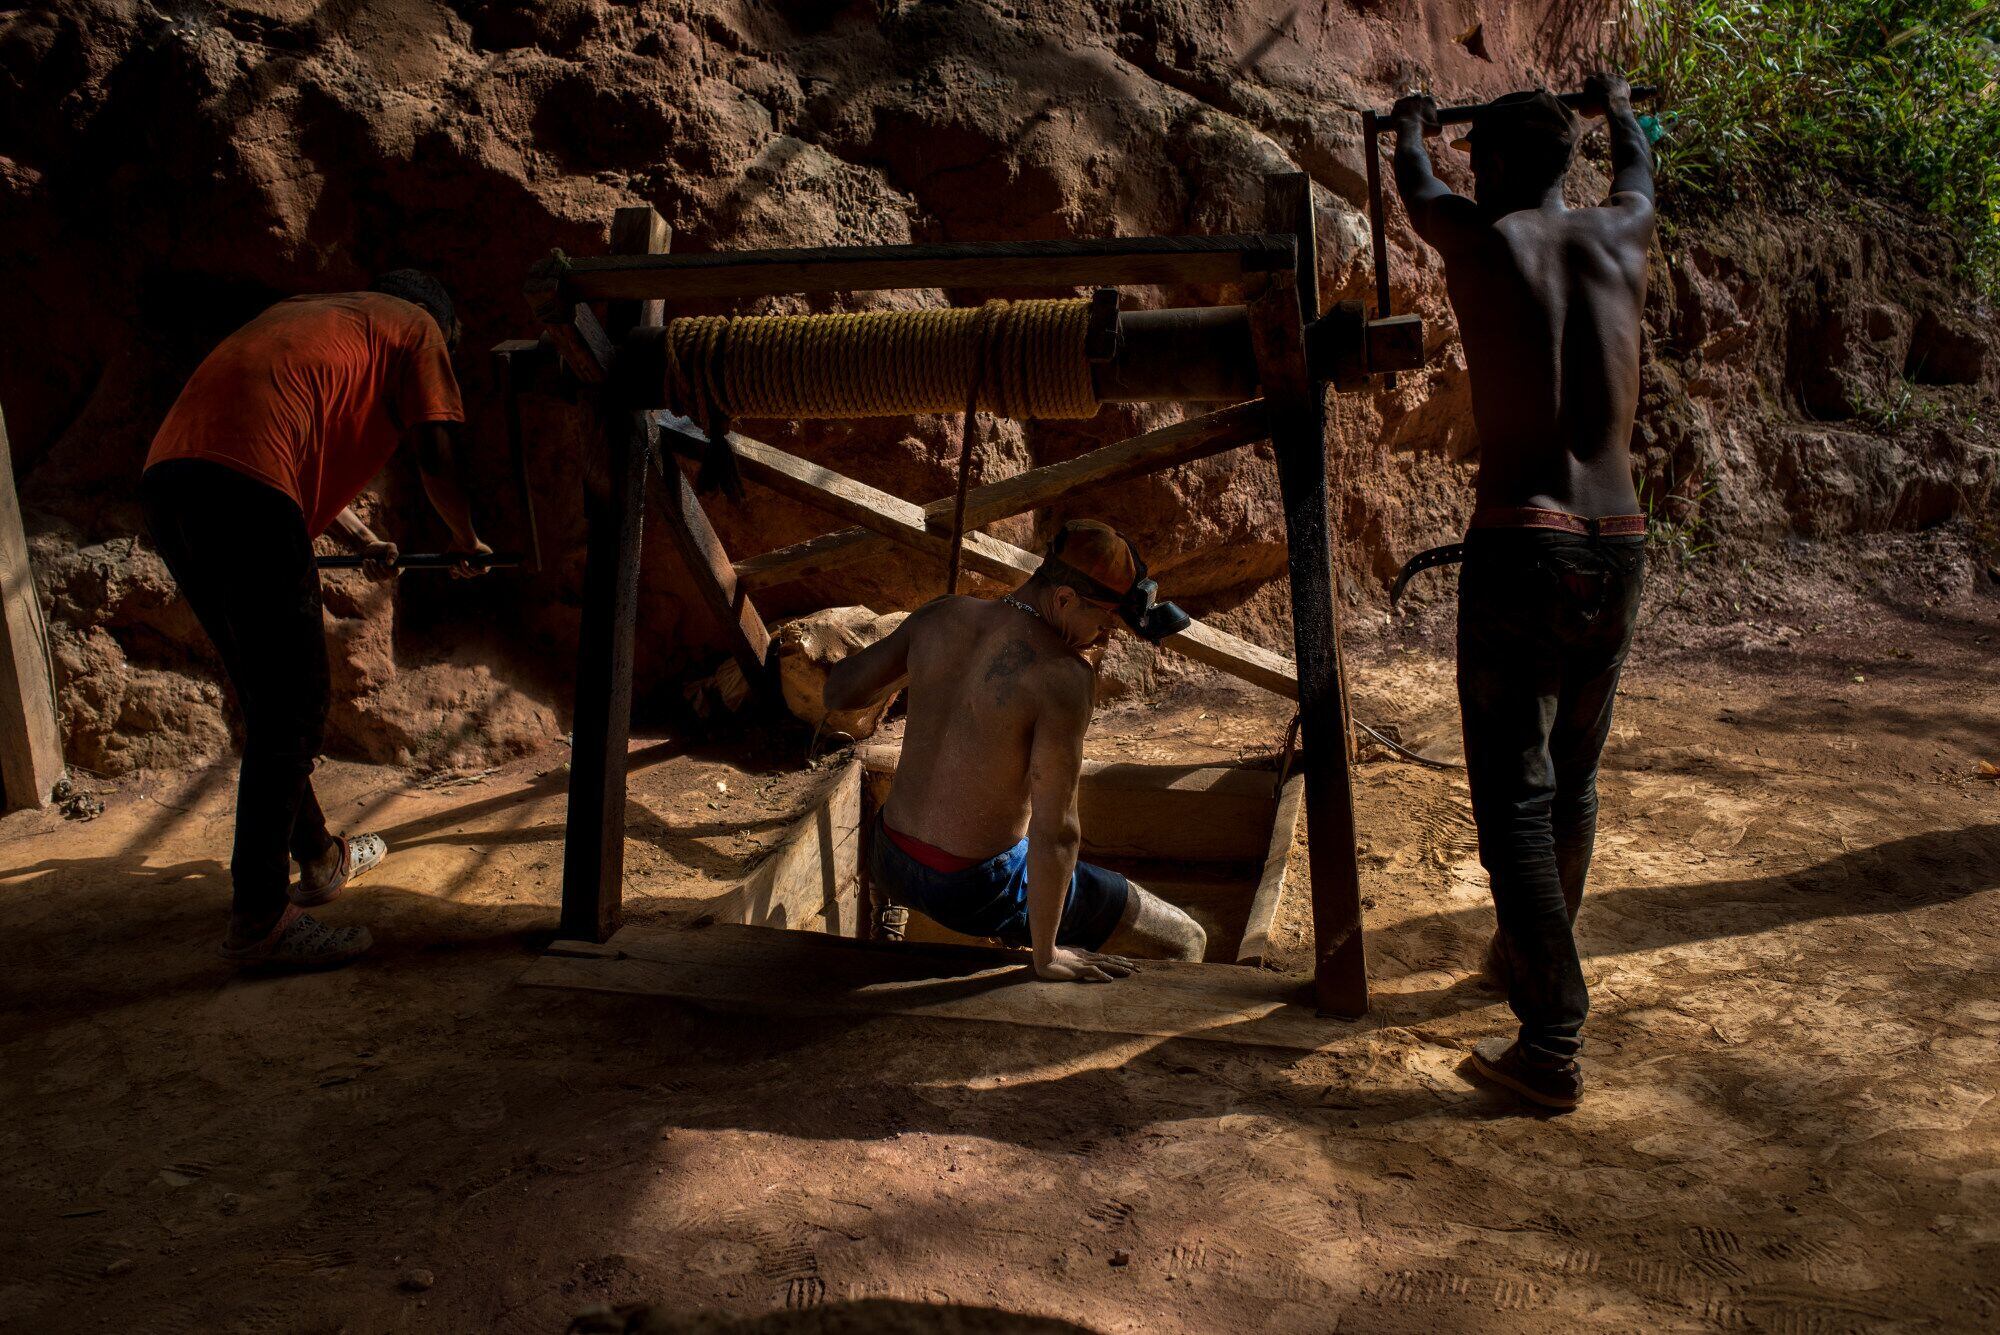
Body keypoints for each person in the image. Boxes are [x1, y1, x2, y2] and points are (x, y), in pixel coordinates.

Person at [1389, 73, 1656, 1108]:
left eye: (1474, 162)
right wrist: (1616, 102)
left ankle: (1549, 1036)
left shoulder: (1486, 241)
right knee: (1570, 786)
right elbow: (1636, 162)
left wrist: (1412, 122)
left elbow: (1414, 185)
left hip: (1523, 548)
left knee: (1515, 801)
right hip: (1617, 544)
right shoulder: (1623, 233)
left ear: (1493, 166)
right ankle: (1524, 958)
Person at [140, 270, 491, 969]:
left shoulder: (315, 317)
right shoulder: (416, 328)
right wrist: (464, 537)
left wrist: (359, 540)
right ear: (438, 324)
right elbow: (438, 451)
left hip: (170, 481)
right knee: (296, 704)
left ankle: (321, 858)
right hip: (247, 488)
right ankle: (260, 921)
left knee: (268, 694)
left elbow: (273, 433)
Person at [824, 520, 1207, 983]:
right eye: (1105, 622)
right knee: (1186, 938)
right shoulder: (1062, 677)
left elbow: (838, 694)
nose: (1105, 637)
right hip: (975, 889)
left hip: (888, 860)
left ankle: (890, 918)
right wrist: (1046, 955)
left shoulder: (940, 616)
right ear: (1063, 599)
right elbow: (1058, 831)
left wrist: (925, 666)